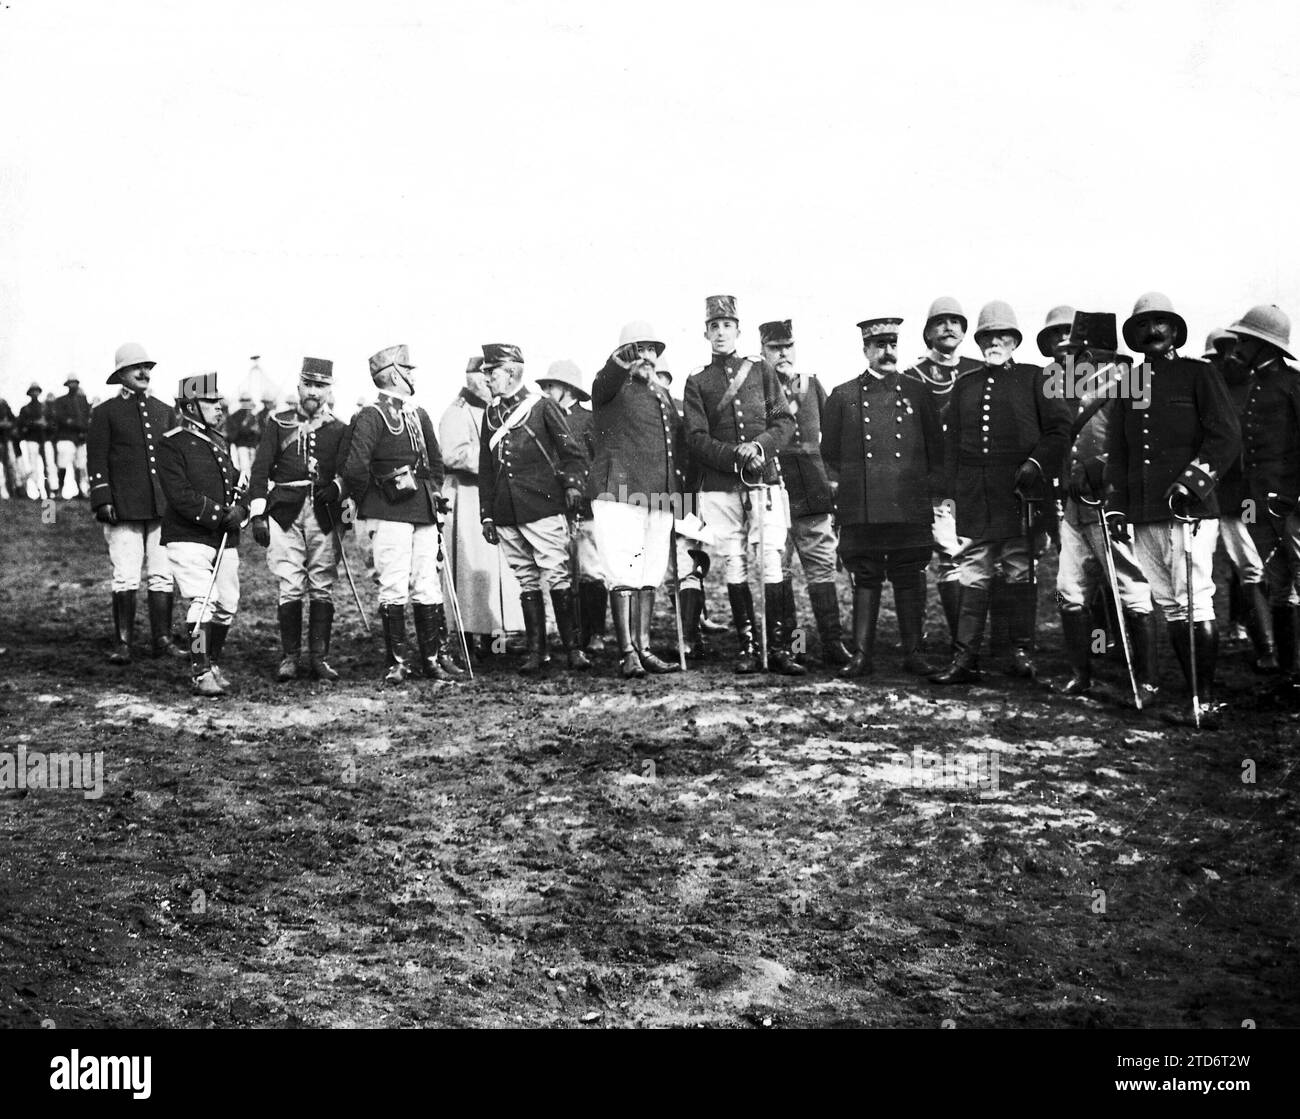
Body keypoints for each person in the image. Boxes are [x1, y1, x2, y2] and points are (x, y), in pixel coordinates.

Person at [1106, 292, 1240, 722]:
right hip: (1145, 512)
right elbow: (1121, 450)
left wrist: (1194, 482)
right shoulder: (1130, 384)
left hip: (1189, 510)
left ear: (1176, 331)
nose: (1152, 333)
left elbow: (1225, 436)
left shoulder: (1199, 375)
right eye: (1143, 327)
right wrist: (1118, 506)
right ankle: (1193, 697)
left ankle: (1204, 700)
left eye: (1160, 324)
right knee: (1169, 603)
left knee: (1195, 600)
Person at [931, 301, 1071, 684]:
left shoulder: (1037, 377)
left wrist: (1036, 465)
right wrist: (953, 492)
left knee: (1019, 570)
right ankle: (964, 658)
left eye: (1002, 335)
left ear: (1014, 340)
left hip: (1021, 494)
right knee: (973, 571)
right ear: (978, 341)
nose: (995, 341)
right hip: (978, 494)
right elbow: (952, 445)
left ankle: (1020, 652)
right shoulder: (966, 385)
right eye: (988, 336)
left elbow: (1060, 431)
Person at [683, 294, 800, 675]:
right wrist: (735, 455)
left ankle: (780, 647)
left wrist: (759, 447)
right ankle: (748, 646)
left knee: (770, 560)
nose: (720, 333)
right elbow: (697, 438)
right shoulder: (697, 381)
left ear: (738, 330)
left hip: (764, 479)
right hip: (720, 484)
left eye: (727, 326)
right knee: (734, 561)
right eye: (714, 327)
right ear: (705, 333)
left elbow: (783, 422)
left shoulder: (761, 372)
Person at [822, 317, 943, 677]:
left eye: (892, 344)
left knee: (910, 574)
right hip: (863, 506)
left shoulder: (918, 392)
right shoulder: (843, 396)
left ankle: (914, 653)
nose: (887, 352)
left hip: (908, 503)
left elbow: (935, 449)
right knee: (866, 574)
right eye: (879, 345)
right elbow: (830, 452)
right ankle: (861, 655)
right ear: (865, 350)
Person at [1048, 311, 1157, 701]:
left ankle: (1146, 680)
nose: (1072, 356)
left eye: (1078, 350)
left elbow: (1143, 443)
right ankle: (1082, 673)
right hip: (1074, 505)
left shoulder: (1131, 383)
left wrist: (1105, 468)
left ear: (1096, 352)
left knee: (1130, 588)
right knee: (1070, 590)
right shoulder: (1069, 386)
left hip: (1110, 504)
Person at [342, 344, 454, 685]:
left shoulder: (419, 414)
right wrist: (373, 502)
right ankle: (397, 663)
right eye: (409, 368)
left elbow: (436, 463)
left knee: (427, 583)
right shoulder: (371, 416)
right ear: (394, 374)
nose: (414, 375)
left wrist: (434, 492)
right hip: (389, 512)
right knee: (393, 585)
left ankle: (432, 659)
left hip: (422, 509)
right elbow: (355, 468)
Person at [478, 343, 590, 674]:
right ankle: (536, 652)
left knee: (556, 575)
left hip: (543, 505)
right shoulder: (490, 414)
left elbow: (574, 453)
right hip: (507, 511)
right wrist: (487, 513)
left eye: (492, 372)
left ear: (511, 372)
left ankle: (573, 650)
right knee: (526, 580)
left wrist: (572, 485)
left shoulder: (540, 407)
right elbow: (487, 468)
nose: (487, 379)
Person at [589, 322, 687, 677]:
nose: (647, 357)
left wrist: (681, 500)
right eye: (638, 349)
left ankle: (644, 648)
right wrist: (618, 362)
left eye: (652, 350)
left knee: (651, 573)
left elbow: (675, 449)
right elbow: (603, 381)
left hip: (660, 495)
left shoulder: (661, 393)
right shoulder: (611, 388)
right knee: (622, 572)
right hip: (620, 492)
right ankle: (626, 651)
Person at [248, 357, 352, 682]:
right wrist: (257, 515)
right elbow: (260, 470)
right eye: (309, 384)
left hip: (323, 514)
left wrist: (336, 488)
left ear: (329, 390)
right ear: (299, 387)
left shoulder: (340, 429)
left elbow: (349, 470)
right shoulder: (278, 424)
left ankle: (319, 658)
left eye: (320, 386)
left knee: (322, 584)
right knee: (290, 583)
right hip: (284, 513)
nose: (313, 392)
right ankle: (290, 657)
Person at [761, 318, 850, 667]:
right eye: (774, 348)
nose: (782, 354)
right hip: (775, 488)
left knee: (820, 567)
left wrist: (833, 479)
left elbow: (834, 435)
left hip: (812, 488)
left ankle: (832, 643)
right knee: (780, 572)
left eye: (787, 347)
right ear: (762, 351)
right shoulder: (756, 388)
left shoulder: (811, 385)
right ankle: (794, 648)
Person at [87, 343, 183, 662]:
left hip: (161, 507)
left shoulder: (164, 410)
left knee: (161, 573)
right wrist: (103, 498)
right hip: (123, 507)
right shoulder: (104, 413)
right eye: (135, 368)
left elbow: (173, 461)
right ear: (121, 375)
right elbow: (97, 458)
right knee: (126, 574)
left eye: (147, 367)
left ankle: (163, 640)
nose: (144, 373)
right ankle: (123, 643)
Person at [157, 372, 247, 697]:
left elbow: (235, 484)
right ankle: (200, 671)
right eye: (211, 402)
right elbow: (179, 495)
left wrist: (241, 508)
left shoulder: (220, 442)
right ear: (190, 406)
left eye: (219, 401)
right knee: (203, 601)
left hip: (221, 538)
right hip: (188, 535)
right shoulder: (171, 443)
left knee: (228, 603)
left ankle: (213, 662)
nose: (219, 408)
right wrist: (221, 515)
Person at [1226, 304, 1300, 691]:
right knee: (1279, 582)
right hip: (1259, 503)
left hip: (1293, 505)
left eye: (1244, 341)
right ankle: (1289, 671)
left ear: (1262, 345)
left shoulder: (1293, 385)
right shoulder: (1253, 387)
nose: (1237, 347)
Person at [904, 297, 984, 647]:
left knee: (986, 560)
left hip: (977, 480)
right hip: (936, 482)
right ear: (928, 332)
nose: (949, 327)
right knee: (948, 555)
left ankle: (990, 642)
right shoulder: (912, 376)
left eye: (956, 321)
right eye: (941, 322)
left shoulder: (980, 369)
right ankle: (957, 640)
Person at [438, 357, 526, 656]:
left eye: (491, 373)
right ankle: (467, 643)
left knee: (496, 572)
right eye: (482, 374)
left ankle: (495, 643)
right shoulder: (456, 412)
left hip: (491, 496)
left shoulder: (497, 410)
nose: (487, 380)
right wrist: (495, 456)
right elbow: (453, 455)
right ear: (469, 377)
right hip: (466, 496)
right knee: (470, 574)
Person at [537, 359, 608, 653]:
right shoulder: (541, 419)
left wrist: (581, 489)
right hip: (554, 507)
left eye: (550, 386)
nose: (546, 392)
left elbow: (599, 461)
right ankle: (573, 634)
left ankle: (596, 633)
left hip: (586, 507)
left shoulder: (588, 420)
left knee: (591, 570)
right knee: (561, 570)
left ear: (566, 389)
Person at [52, 376, 92, 498]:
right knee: (63, 464)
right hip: (66, 437)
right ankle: (59, 491)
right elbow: (60, 419)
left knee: (80, 465)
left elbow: (87, 417)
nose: (73, 385)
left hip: (80, 437)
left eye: (75, 383)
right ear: (67, 385)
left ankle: (80, 490)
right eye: (70, 383)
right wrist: (75, 424)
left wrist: (83, 429)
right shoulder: (60, 401)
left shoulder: (83, 400)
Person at [17, 383, 55, 500]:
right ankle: (36, 492)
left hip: (45, 439)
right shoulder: (25, 409)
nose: (34, 393)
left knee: (49, 465)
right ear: (29, 393)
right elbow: (21, 425)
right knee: (33, 466)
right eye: (32, 391)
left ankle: (51, 491)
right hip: (31, 440)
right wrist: (35, 423)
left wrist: (46, 424)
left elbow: (53, 424)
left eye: (36, 391)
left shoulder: (45, 408)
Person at [227, 392, 264, 478]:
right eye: (244, 400)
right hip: (242, 446)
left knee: (253, 468)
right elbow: (234, 432)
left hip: (253, 445)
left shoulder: (255, 415)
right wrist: (246, 427)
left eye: (248, 400)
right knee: (244, 468)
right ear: (241, 402)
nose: (246, 402)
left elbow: (260, 431)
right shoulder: (236, 415)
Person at [0, 396, 15, 499]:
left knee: (9, 465)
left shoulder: (4, 405)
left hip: (6, 440)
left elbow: (14, 421)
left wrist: (9, 424)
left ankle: (11, 491)